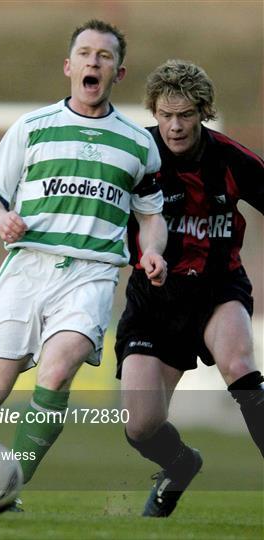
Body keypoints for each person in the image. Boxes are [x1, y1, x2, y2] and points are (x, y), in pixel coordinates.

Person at [0, 20, 168, 510]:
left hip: (91, 274)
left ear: (118, 72)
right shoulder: (32, 127)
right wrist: (2, 220)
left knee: (59, 371)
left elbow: (151, 216)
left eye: (103, 56)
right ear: (68, 66)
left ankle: (5, 487)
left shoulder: (137, 144)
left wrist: (153, 250)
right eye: (84, 53)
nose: (93, 62)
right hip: (27, 269)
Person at [116, 59, 264, 518]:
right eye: (165, 115)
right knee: (141, 427)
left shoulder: (232, 159)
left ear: (204, 112)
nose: (175, 126)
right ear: (153, 113)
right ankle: (180, 466)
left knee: (239, 363)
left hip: (218, 290)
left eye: (185, 115)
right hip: (153, 303)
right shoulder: (136, 155)